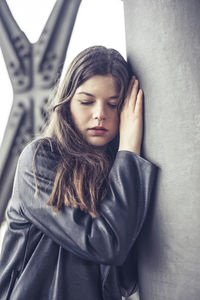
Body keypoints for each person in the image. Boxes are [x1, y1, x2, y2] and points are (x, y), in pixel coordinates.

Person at [0, 46, 156, 300]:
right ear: (67, 102)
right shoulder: (38, 159)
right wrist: (129, 149)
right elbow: (105, 243)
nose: (99, 114)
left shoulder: (115, 172)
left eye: (113, 104)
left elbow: (128, 277)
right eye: (86, 101)